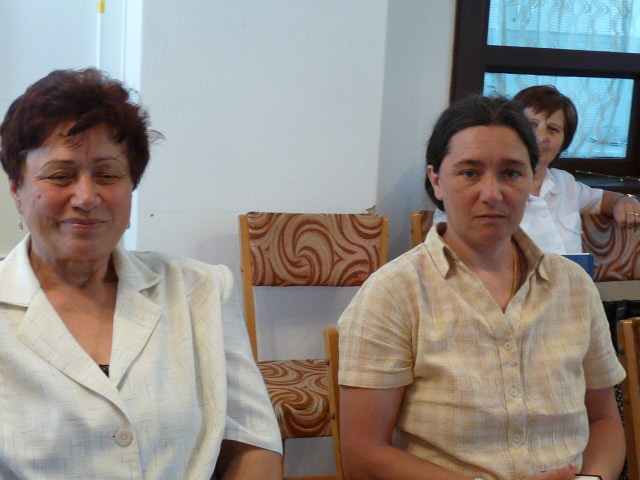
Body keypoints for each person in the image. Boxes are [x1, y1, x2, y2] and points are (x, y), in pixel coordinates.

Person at [0, 68, 282, 479]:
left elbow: (252, 444)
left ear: (131, 186)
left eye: (107, 175)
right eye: (60, 176)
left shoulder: (199, 290)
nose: (86, 197)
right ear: (16, 188)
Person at [338, 95, 626, 480]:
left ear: (531, 179)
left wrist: (593, 478)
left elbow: (603, 419)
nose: (492, 193)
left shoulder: (574, 286)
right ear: (437, 181)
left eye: (511, 173)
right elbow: (363, 454)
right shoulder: (393, 293)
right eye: (470, 173)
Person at [514, 84, 640, 253]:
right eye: (532, 125)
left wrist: (628, 200)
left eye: (553, 129)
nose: (541, 137)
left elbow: (605, 199)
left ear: (564, 143)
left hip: (576, 271)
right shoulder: (495, 190)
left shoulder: (565, 183)